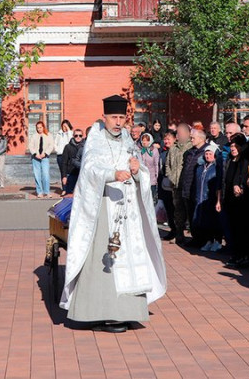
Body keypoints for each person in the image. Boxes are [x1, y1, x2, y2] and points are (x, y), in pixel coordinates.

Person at [60, 95, 166, 333]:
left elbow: (141, 170)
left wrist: (138, 171)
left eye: (121, 117)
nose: (118, 122)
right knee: (104, 260)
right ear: (104, 117)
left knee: (129, 258)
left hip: (128, 209)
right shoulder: (95, 139)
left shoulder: (129, 139)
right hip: (104, 207)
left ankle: (127, 312)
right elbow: (89, 169)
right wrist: (111, 174)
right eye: (113, 117)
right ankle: (101, 312)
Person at [224, 134, 249, 268]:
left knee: (243, 229)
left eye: (236, 146)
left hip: (243, 198)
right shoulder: (231, 160)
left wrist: (240, 186)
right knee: (234, 228)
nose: (233, 148)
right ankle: (237, 254)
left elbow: (245, 175)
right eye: (231, 146)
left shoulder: (246, 159)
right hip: (231, 197)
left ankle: (245, 256)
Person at [180, 129, 210, 247]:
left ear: (201, 139)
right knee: (191, 214)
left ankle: (202, 239)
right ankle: (195, 237)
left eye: (193, 138)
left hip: (199, 189)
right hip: (187, 187)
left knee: (199, 215)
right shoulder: (190, 152)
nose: (191, 140)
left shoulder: (206, 151)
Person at [162, 123, 191, 244]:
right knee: (177, 211)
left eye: (179, 133)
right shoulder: (173, 149)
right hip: (175, 185)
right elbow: (167, 165)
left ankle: (193, 236)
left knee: (189, 211)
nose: (178, 135)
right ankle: (179, 235)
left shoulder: (190, 147)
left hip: (187, 186)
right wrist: (171, 176)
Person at [193, 142, 223, 252]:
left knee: (214, 221)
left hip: (212, 198)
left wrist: (218, 199)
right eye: (206, 154)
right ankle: (209, 240)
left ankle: (218, 241)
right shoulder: (201, 167)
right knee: (205, 222)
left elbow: (219, 183)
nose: (208, 156)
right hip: (201, 198)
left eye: (210, 154)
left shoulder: (217, 168)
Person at [28, 121, 54, 198]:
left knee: (45, 175)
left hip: (45, 157)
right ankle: (39, 191)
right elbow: (31, 146)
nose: (39, 129)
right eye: (37, 128)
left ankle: (47, 191)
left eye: (40, 127)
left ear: (43, 127)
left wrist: (45, 153)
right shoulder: (34, 136)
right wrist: (35, 154)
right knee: (37, 175)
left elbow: (51, 145)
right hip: (35, 158)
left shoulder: (49, 135)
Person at [158, 130, 177, 230]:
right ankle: (172, 230)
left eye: (168, 139)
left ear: (174, 139)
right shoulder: (163, 153)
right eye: (165, 139)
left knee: (175, 210)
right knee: (168, 209)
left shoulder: (177, 152)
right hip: (164, 184)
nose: (166, 141)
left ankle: (177, 232)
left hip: (174, 185)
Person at [60, 129, 84, 196]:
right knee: (69, 195)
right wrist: (64, 176)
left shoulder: (85, 146)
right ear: (73, 136)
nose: (78, 137)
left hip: (81, 174)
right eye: (76, 135)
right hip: (70, 174)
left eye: (80, 135)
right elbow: (64, 162)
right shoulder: (68, 147)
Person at [140, 133, 160, 204]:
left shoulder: (154, 150)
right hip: (142, 178)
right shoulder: (140, 151)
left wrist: (157, 176)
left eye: (146, 140)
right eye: (143, 140)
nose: (144, 142)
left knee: (152, 197)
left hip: (152, 177)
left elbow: (156, 164)